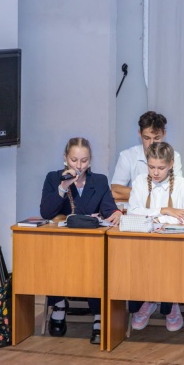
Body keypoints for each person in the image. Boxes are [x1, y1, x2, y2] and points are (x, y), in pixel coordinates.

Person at [39, 137, 122, 345]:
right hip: (63, 245)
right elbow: (46, 212)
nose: (79, 165)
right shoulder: (53, 178)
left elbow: (109, 209)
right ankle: (59, 304)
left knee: (97, 263)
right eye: (74, 160)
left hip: (91, 245)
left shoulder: (99, 181)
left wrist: (117, 213)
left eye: (84, 161)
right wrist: (62, 187)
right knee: (53, 257)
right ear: (65, 158)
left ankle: (99, 315)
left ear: (90, 160)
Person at [127, 142, 184, 332]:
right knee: (137, 261)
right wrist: (164, 210)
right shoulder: (140, 182)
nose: (155, 172)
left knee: (168, 262)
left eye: (161, 168)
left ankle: (171, 303)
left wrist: (154, 217)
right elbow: (132, 212)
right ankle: (148, 300)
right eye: (151, 167)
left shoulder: (181, 184)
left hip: (172, 246)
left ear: (171, 164)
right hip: (144, 244)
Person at [111, 111, 183, 201]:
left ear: (164, 134)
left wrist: (141, 194)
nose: (151, 143)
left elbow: (179, 191)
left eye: (156, 138)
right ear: (139, 134)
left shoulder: (174, 156)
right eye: (147, 138)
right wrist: (153, 194)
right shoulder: (127, 156)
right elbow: (116, 191)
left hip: (165, 208)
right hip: (135, 208)